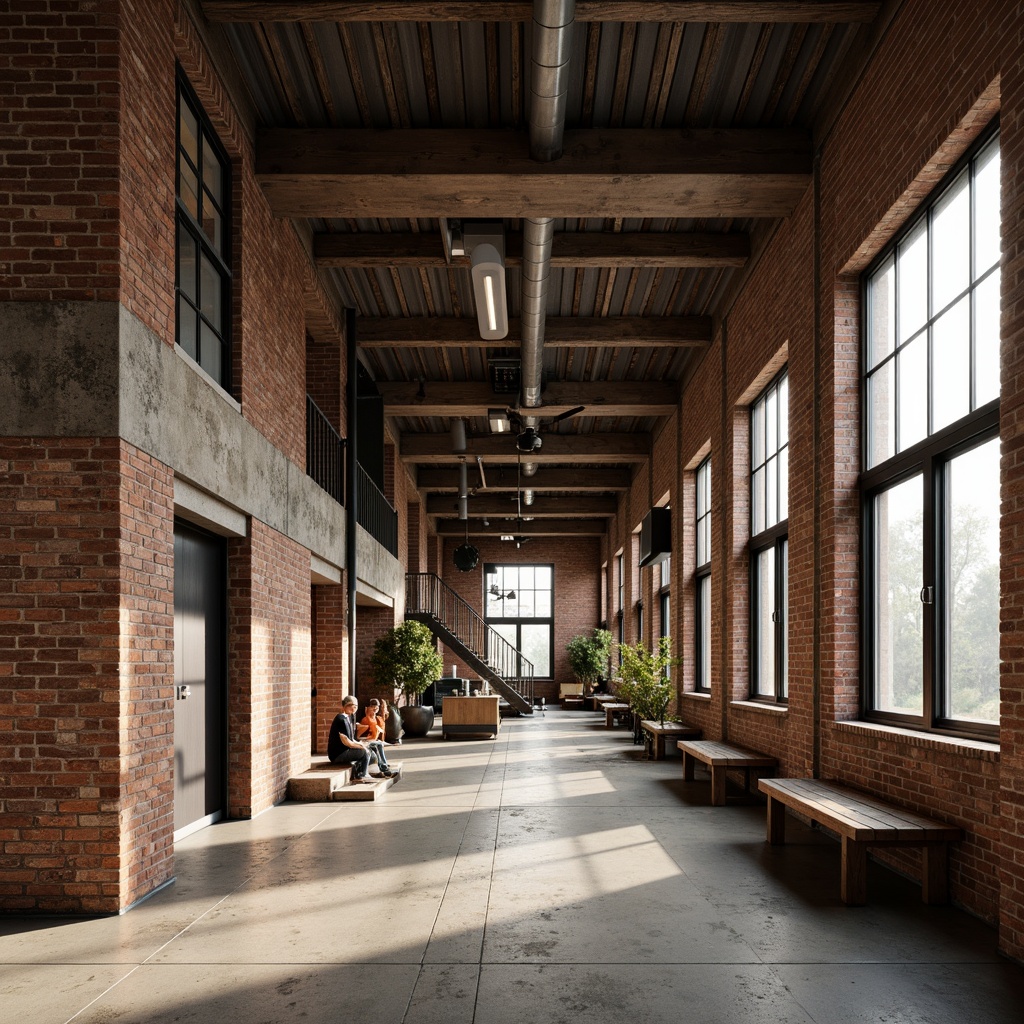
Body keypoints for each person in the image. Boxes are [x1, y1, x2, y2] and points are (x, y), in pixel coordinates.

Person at [327, 696, 392, 781]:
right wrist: (362, 747)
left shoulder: (350, 718)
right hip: (338, 754)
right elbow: (346, 742)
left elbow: (352, 739)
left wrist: (362, 743)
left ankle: (383, 769)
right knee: (365, 752)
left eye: (355, 706)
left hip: (347, 749)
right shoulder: (341, 719)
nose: (353, 708)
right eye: (350, 705)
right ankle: (362, 774)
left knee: (375, 747)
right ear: (344, 706)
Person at [356, 699, 395, 776]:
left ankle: (384, 766)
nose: (374, 708)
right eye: (372, 707)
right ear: (368, 708)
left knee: (379, 744)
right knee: (378, 745)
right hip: (366, 741)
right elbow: (359, 735)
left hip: (374, 740)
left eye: (376, 707)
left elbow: (381, 729)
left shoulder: (378, 718)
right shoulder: (365, 719)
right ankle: (383, 767)